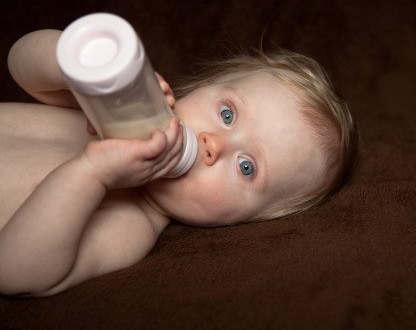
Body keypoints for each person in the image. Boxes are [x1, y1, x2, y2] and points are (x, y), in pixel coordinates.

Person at [0, 29, 358, 297]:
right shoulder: (108, 109)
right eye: (227, 114)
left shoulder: (130, 227)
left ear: (242, 221)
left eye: (246, 167)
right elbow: (20, 60)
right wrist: (80, 71)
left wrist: (92, 174)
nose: (214, 143)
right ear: (202, 86)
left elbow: (16, 272)